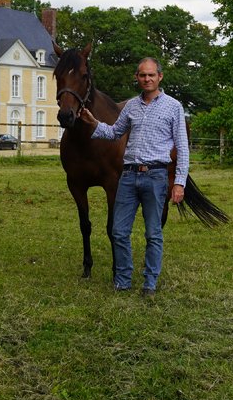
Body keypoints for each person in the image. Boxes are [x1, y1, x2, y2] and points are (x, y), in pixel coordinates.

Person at [79, 57, 189, 296]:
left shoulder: (173, 106)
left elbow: (182, 147)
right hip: (128, 177)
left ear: (160, 77)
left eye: (151, 75)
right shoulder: (131, 106)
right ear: (137, 78)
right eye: (142, 75)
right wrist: (94, 123)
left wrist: (179, 182)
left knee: (153, 234)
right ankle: (123, 280)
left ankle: (150, 283)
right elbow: (114, 133)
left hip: (156, 176)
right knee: (119, 231)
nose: (147, 79)